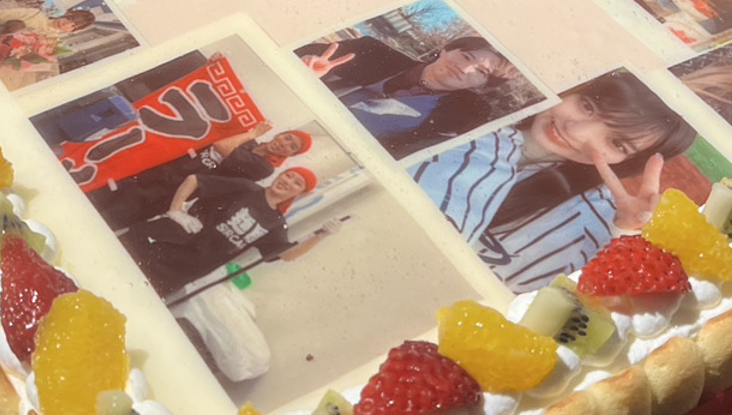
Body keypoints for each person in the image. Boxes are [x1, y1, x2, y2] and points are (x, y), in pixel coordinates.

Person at [412, 72, 697, 291]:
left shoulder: (594, 225)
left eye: (617, 143)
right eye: (587, 106)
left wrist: (625, 237)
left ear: (628, 162)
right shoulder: (460, 114)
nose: (576, 131)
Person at [297, 33, 520, 157]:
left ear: (483, 85)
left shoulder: (457, 118)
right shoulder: (371, 52)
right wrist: (304, 70)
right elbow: (290, 54)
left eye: (481, 72)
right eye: (466, 56)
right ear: (445, 50)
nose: (464, 68)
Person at [124, 167, 330, 298]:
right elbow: (194, 179)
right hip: (157, 243)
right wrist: (176, 211)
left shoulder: (275, 224)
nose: (288, 181)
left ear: (301, 193)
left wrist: (320, 236)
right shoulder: (246, 188)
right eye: (288, 175)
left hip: (180, 272)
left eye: (297, 183)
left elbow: (285, 255)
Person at [92, 124, 315, 230]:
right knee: (91, 198)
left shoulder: (264, 167)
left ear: (291, 155)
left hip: (162, 194)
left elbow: (221, 146)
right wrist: (215, 64)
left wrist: (253, 133)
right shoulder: (249, 143)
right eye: (287, 137)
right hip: (151, 174)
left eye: (292, 146)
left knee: (103, 221)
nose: (284, 144)